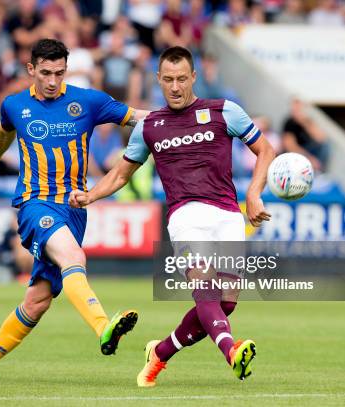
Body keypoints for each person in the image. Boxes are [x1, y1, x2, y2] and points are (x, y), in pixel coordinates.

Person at [69, 46, 275, 386]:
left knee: (225, 305)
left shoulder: (225, 111)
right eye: (168, 80)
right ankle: (231, 350)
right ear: (158, 80)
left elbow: (265, 150)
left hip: (227, 215)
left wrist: (253, 193)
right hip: (185, 216)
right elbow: (121, 174)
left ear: (193, 77)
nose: (175, 87)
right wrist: (91, 195)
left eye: (181, 79)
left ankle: (160, 353)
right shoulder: (150, 125)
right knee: (205, 292)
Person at [0, 38, 149, 384]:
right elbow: (3, 133)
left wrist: (184, 120)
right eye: (46, 73)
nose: (52, 81)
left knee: (38, 300)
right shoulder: (15, 105)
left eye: (59, 73)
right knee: (73, 256)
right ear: (31, 69)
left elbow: (139, 117)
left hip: (75, 208)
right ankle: (103, 327)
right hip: (35, 204)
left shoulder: (88, 101)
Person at [282, 98, 329, 171]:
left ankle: (318, 170)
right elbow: (290, 147)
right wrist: (309, 158)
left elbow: (321, 138)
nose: (297, 111)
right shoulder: (289, 123)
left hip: (309, 150)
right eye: (295, 108)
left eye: (299, 108)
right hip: (297, 154)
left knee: (326, 145)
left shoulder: (307, 121)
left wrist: (305, 123)